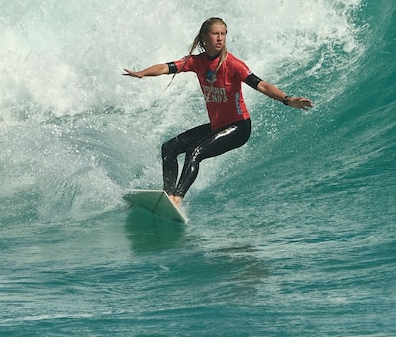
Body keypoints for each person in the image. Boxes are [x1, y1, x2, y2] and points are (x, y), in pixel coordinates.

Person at [123, 17, 314, 208]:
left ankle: (176, 198)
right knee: (169, 148)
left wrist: (287, 100)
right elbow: (167, 67)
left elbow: (261, 85)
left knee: (194, 152)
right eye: (215, 34)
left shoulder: (233, 65)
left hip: (239, 127)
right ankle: (167, 194)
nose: (220, 38)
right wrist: (142, 73)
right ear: (204, 37)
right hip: (217, 126)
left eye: (223, 34)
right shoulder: (197, 62)